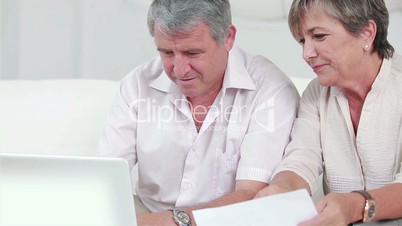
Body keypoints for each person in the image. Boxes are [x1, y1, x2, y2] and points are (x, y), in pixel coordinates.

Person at [98, 0, 299, 225]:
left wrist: (172, 221)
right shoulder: (137, 84)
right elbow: (104, 179)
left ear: (228, 38)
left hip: (229, 220)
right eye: (167, 52)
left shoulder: (270, 90)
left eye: (192, 53)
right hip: (151, 211)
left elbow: (253, 197)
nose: (179, 69)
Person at [255, 0, 402, 225]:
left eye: (319, 36)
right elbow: (301, 158)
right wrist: (281, 188)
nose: (306, 54)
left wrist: (356, 205)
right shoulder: (316, 92)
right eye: (302, 41)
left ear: (366, 33)